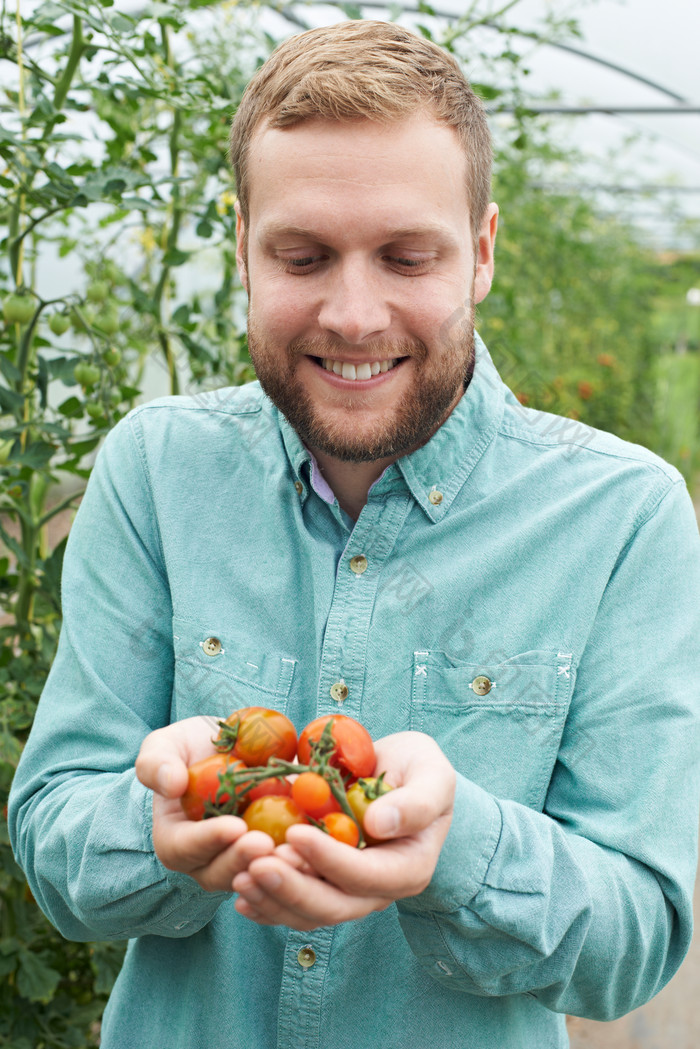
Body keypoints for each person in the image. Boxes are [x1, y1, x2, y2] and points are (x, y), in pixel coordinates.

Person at [9, 19, 700, 1049]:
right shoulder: (157, 473)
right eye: (302, 255)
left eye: (406, 254)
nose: (353, 312)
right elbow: (54, 835)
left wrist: (454, 846)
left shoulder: (618, 516)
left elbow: (636, 942)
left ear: (480, 252)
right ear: (242, 245)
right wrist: (150, 832)